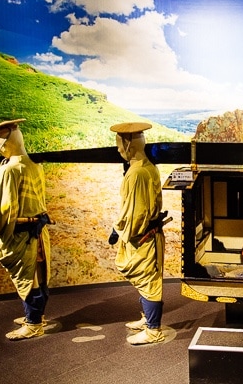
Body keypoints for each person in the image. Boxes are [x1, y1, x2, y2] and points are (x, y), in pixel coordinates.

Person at [0, 119, 52, 341]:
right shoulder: (34, 164)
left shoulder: (10, 169)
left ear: (4, 144)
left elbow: (5, 208)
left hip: (22, 233)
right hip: (38, 231)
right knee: (37, 274)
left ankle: (34, 323)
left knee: (28, 277)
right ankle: (36, 317)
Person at [108, 122, 167, 345]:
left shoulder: (137, 174)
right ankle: (147, 320)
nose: (118, 149)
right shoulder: (147, 167)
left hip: (141, 236)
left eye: (119, 145)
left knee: (147, 279)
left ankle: (153, 330)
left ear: (128, 144)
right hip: (147, 233)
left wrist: (120, 230)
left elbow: (135, 214)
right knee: (145, 280)